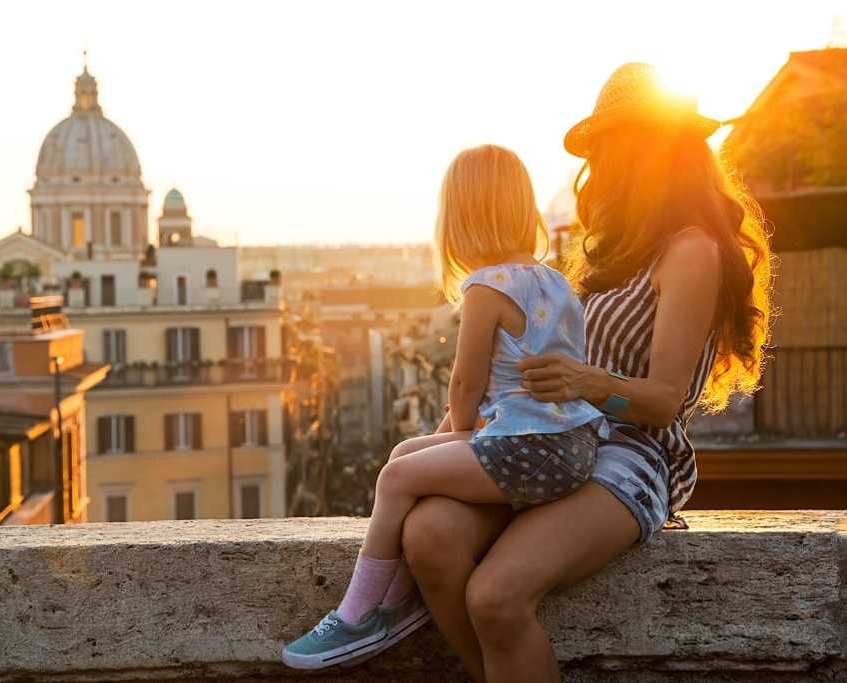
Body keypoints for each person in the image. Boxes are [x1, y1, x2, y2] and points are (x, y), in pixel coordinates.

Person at [399, 63, 773, 683]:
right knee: (429, 539)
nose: (596, 169)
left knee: (495, 596)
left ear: (647, 153)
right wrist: (456, 432)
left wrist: (589, 382)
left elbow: (662, 402)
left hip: (630, 456)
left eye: (608, 150)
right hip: (553, 441)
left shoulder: (693, 251)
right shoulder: (610, 253)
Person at [281, 144, 608, 670]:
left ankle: (361, 612)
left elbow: (464, 386)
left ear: (460, 215)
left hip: (528, 448)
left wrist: (459, 437)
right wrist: (443, 446)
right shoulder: (557, 282)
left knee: (395, 479)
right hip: (571, 445)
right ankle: (393, 596)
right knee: (406, 451)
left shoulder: (486, 286)